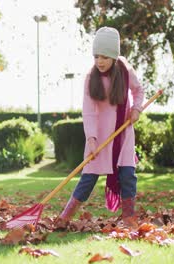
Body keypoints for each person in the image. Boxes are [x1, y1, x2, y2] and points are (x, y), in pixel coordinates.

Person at [57, 27, 144, 228]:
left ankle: (129, 219)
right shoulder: (91, 78)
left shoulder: (125, 71)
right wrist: (91, 139)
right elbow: (88, 111)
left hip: (122, 134)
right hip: (99, 137)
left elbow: (138, 90)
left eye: (105, 56)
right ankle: (65, 218)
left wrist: (136, 109)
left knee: (128, 176)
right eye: (96, 56)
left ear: (114, 56)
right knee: (88, 179)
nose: (100, 61)